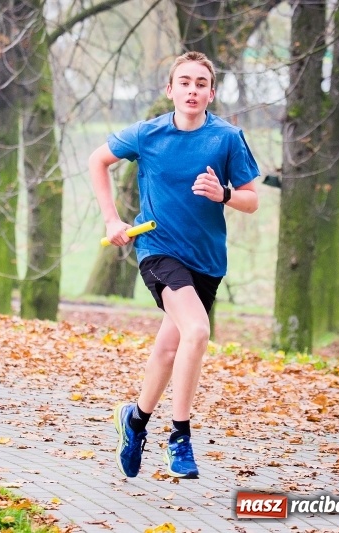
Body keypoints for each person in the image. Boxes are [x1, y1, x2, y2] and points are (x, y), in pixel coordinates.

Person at [88, 51, 259, 479]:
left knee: (169, 347)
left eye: (201, 83)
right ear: (170, 90)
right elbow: (98, 161)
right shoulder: (148, 134)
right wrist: (112, 219)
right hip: (158, 251)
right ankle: (180, 436)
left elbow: (251, 199)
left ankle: (135, 420)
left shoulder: (227, 138)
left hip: (207, 261)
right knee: (197, 331)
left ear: (211, 93)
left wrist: (223, 194)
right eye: (184, 82)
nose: (192, 90)